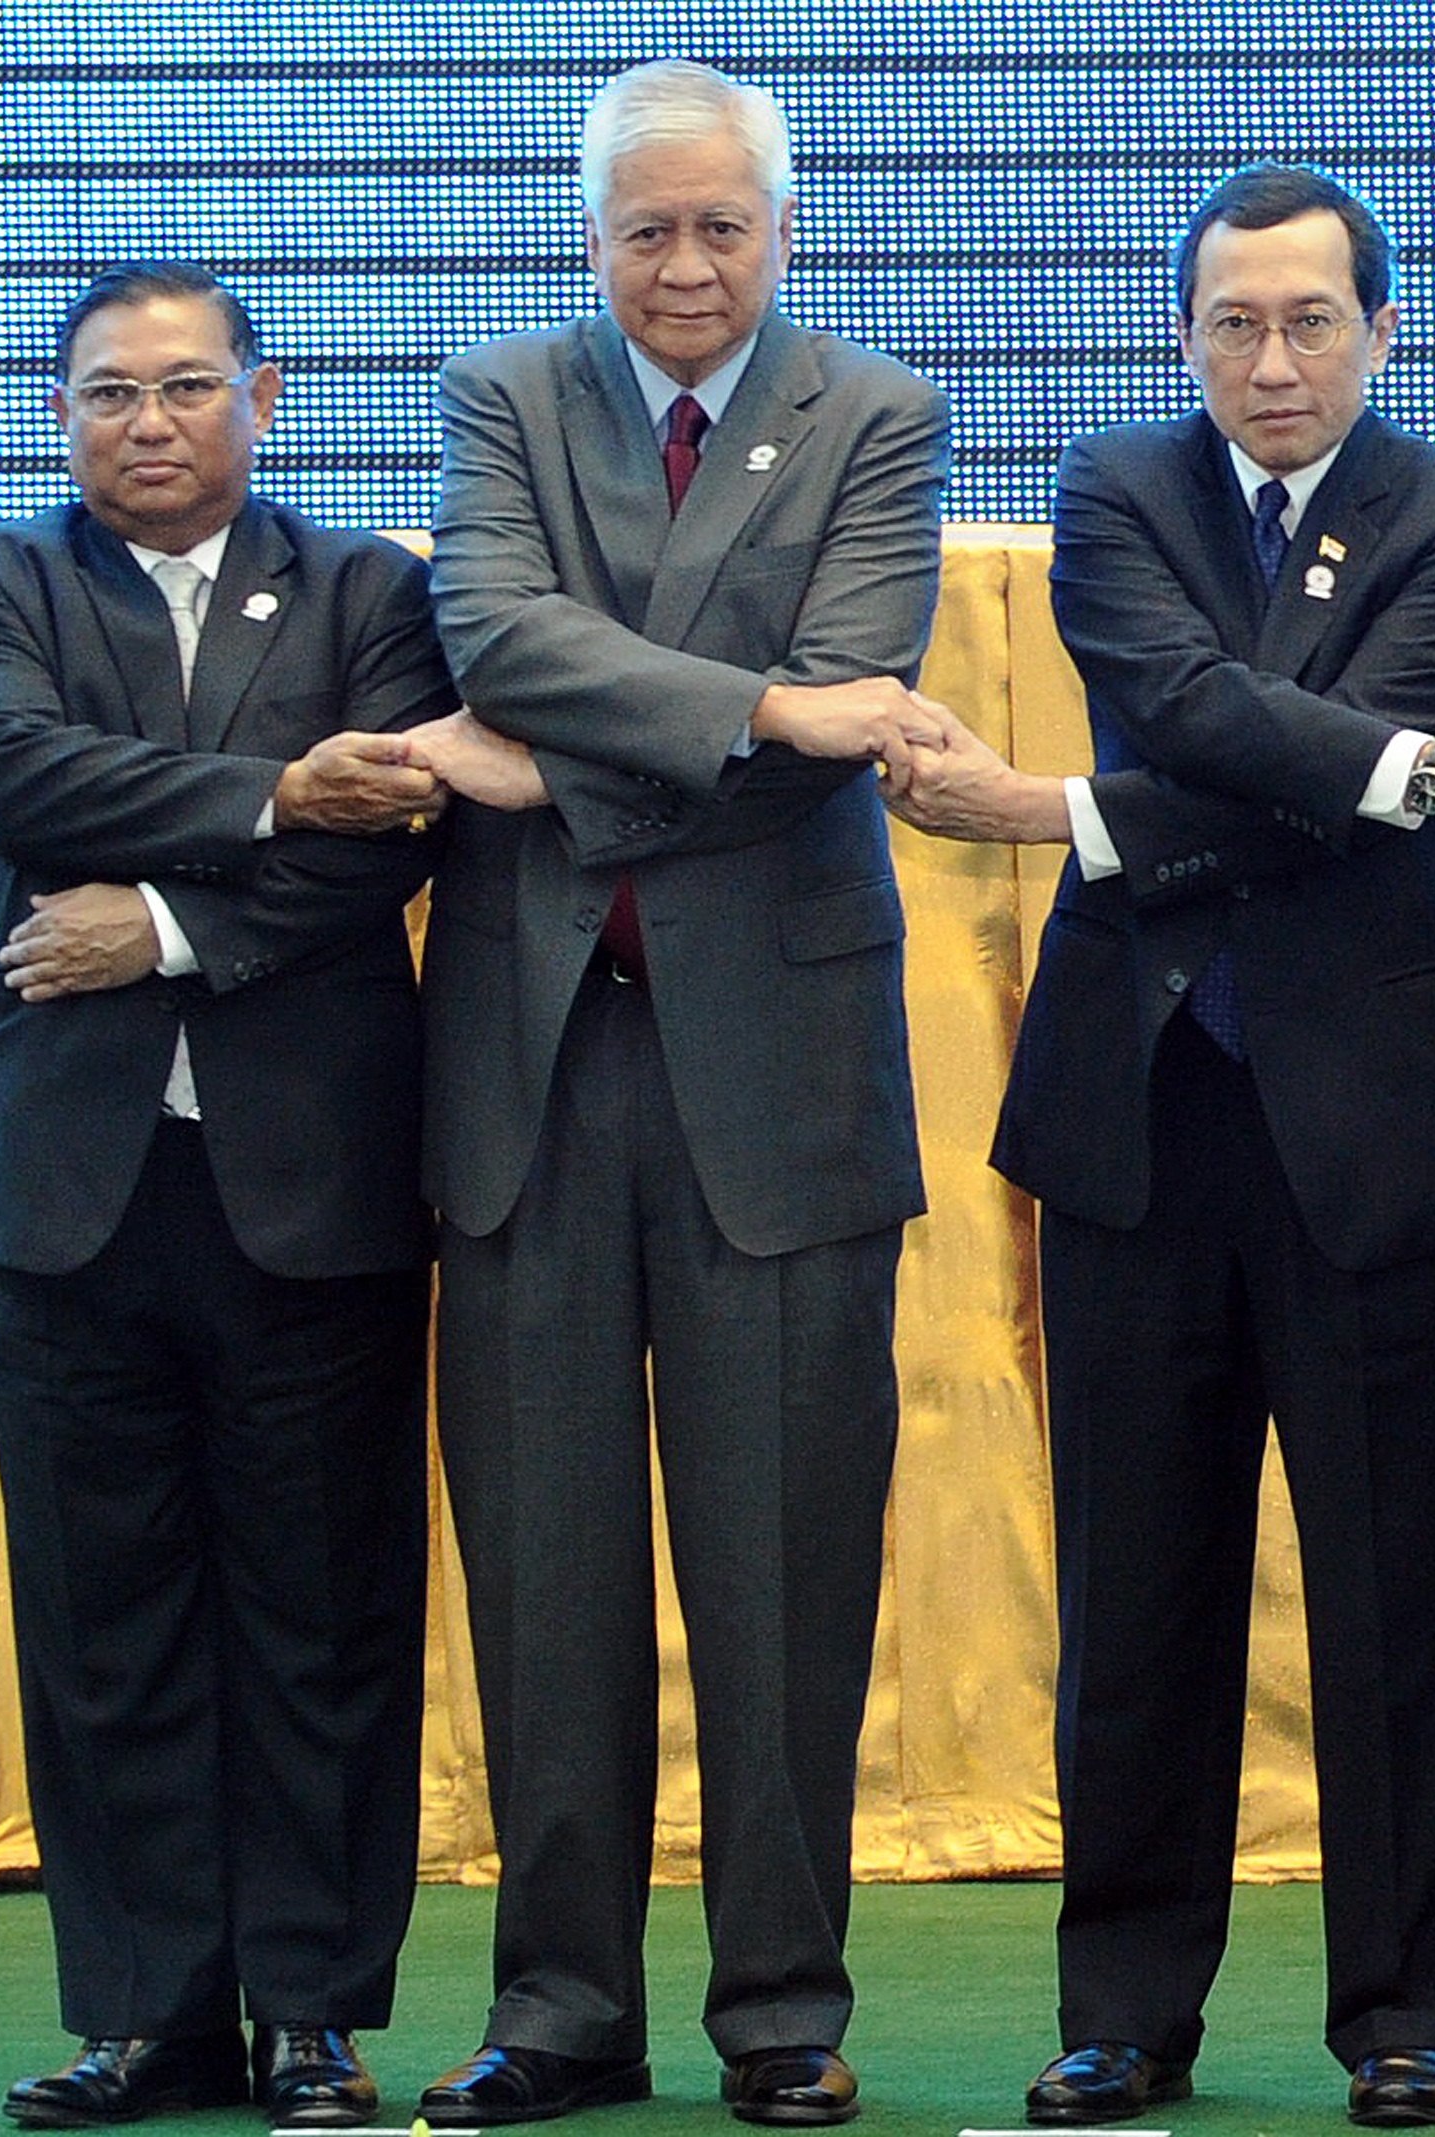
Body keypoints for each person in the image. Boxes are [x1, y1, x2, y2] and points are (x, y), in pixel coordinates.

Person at [886, 161, 1435, 2130]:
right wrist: (1427, 775)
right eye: (1234, 322)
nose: (1272, 359)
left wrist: (1072, 817)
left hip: (1376, 1122)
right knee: (1137, 1586)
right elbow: (1201, 711)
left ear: (1389, 331)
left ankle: (1406, 2016)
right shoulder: (1117, 495)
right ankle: (1125, 2006)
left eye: (1312, 322)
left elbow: (1290, 781)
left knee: (1399, 1585)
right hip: (1139, 1114)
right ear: (1184, 331)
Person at [407, 57, 952, 2130]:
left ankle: (781, 2015)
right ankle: (559, 2010)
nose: (686, 264)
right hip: (529, 1078)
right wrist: (750, 707)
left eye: (723, 225)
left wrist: (540, 755)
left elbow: (852, 701)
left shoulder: (877, 417)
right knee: (545, 1578)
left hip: (783, 1081)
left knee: (786, 1567)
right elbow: (491, 621)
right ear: (592, 237)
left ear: (783, 231)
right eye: (649, 228)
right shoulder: (501, 401)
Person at [0, 260, 450, 2129]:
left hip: (313, 1181)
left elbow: (393, 828)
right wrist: (266, 800)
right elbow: (4, 764)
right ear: (59, 418)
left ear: (266, 397)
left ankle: (311, 2006)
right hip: (68, 1185)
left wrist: (151, 917)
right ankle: (144, 2011)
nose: (151, 421)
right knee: (101, 1610)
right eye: (108, 395)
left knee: (323, 1603)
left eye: (189, 386)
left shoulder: (377, 589)